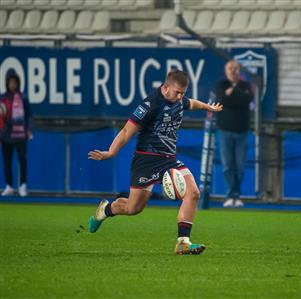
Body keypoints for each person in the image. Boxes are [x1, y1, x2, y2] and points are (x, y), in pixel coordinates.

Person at [87, 70, 222, 255]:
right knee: (133, 208)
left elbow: (191, 103)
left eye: (183, 92)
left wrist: (208, 107)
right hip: (146, 160)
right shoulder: (149, 105)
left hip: (168, 159)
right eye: (177, 92)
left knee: (193, 192)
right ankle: (106, 209)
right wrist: (111, 152)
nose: (180, 96)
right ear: (165, 87)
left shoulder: (179, 100)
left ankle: (183, 242)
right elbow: (127, 131)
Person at [214, 60, 253, 208]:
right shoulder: (220, 85)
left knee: (240, 167)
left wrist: (233, 94)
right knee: (227, 166)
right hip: (224, 131)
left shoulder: (246, 86)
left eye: (235, 68)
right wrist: (232, 97)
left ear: (239, 70)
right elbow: (222, 99)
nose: (233, 70)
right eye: (230, 68)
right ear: (226, 70)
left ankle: (237, 195)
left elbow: (246, 99)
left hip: (242, 132)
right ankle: (230, 195)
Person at [0, 70, 32, 197]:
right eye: (10, 82)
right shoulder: (3, 98)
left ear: (18, 83)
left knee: (22, 160)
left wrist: (28, 129)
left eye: (15, 82)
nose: (13, 84)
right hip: (6, 135)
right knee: (7, 160)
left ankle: (23, 185)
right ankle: (9, 186)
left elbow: (29, 116)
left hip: (20, 135)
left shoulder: (23, 98)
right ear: (7, 83)